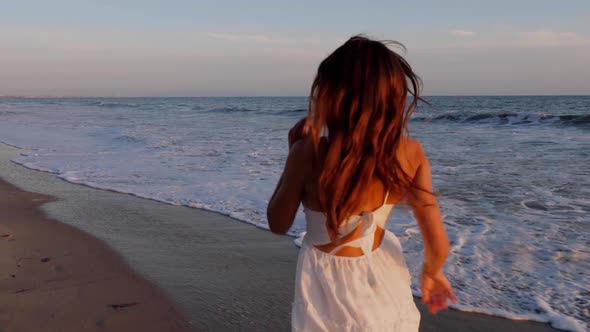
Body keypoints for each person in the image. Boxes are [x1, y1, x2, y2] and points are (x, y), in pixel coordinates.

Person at [267, 35, 455, 331]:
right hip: (382, 281)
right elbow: (438, 243)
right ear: (394, 99)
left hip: (326, 288)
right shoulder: (411, 154)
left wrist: (292, 153)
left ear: (330, 94)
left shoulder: (308, 152)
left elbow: (278, 223)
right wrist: (432, 272)